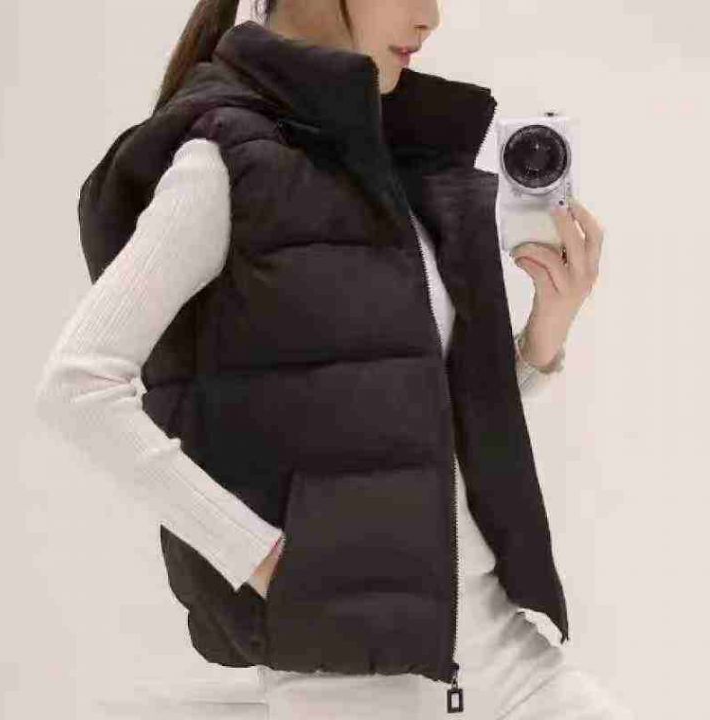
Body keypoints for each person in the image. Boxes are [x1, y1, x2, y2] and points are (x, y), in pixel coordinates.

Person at [34, 1, 633, 718]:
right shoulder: (223, 162)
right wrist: (264, 559)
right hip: (351, 686)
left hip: (510, 661)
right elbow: (77, 386)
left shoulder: (387, 153)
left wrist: (543, 335)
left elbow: (412, 400)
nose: (431, 16)